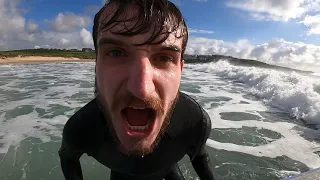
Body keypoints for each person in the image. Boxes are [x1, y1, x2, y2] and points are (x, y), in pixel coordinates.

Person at [58, 0, 216, 179]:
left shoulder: (195, 121)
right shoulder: (80, 128)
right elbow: (68, 159)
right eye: (116, 53)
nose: (142, 89)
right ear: (96, 65)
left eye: (164, 57)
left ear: (180, 70)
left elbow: (200, 157)